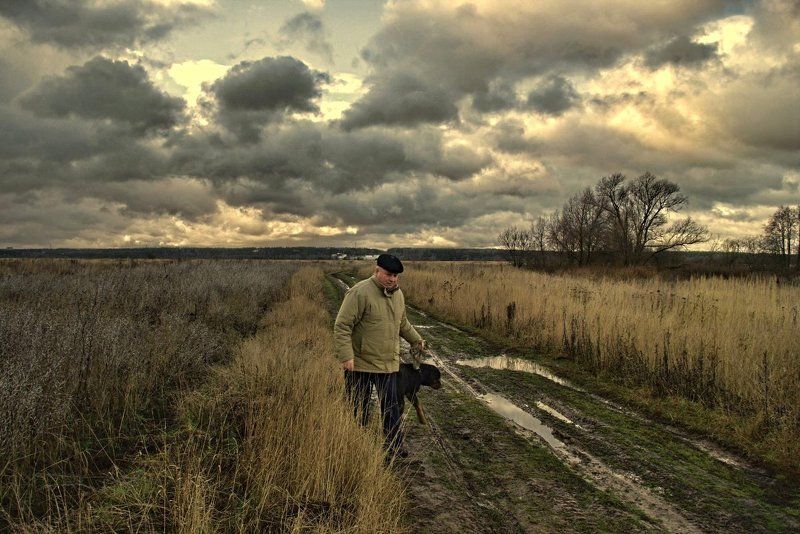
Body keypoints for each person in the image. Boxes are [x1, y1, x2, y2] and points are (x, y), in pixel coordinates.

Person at [333, 253, 426, 458]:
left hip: (387, 364)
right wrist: (346, 356)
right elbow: (342, 326)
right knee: (358, 408)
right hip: (360, 363)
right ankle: (354, 446)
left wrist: (416, 340)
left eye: (395, 276)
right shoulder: (359, 293)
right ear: (377, 271)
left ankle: (394, 446)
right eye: (388, 274)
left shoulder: (398, 295)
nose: (392, 279)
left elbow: (402, 323)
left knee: (392, 408)